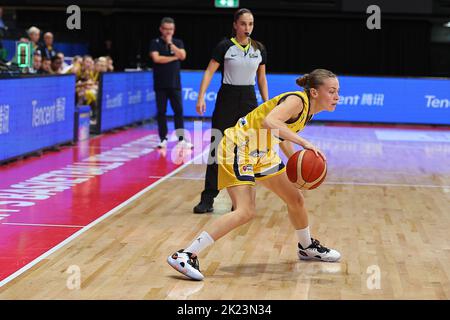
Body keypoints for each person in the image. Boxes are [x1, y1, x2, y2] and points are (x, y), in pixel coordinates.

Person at [167, 69, 342, 280]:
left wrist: (295, 165)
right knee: (246, 211)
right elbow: (271, 122)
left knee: (295, 198)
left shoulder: (308, 111)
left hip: (262, 152)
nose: (337, 97)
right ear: (314, 92)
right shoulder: (297, 100)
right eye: (331, 91)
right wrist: (305, 143)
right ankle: (185, 254)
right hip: (239, 147)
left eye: (337, 92)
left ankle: (306, 247)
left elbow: (281, 134)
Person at [193, 8, 269, 214]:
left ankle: (240, 200)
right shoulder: (224, 46)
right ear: (235, 25)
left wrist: (266, 103)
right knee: (218, 145)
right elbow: (209, 71)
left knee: (246, 150)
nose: (247, 28)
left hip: (249, 99)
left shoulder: (259, 49)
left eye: (251, 24)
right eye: (243, 24)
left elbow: (261, 78)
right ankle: (208, 197)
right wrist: (200, 97)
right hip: (227, 97)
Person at [149, 17, 192, 149]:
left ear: (173, 30)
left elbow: (183, 56)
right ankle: (163, 138)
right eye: (166, 29)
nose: (168, 32)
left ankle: (181, 139)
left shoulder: (178, 42)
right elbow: (157, 59)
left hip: (175, 84)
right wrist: (174, 57)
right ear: (161, 29)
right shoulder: (155, 42)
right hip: (161, 84)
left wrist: (171, 44)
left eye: (171, 29)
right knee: (161, 112)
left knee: (178, 111)